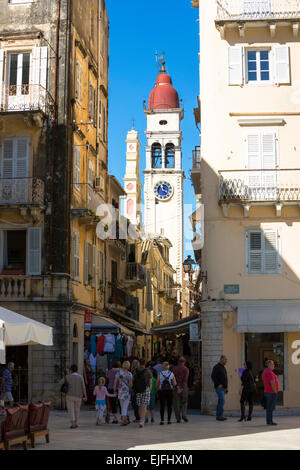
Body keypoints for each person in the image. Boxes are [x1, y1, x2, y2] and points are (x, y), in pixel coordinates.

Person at [59, 364, 87, 429]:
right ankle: (76, 423)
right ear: (77, 370)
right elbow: (83, 387)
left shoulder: (68, 377)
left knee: (71, 410)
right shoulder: (80, 377)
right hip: (79, 396)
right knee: (77, 410)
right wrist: (85, 396)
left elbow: (60, 382)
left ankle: (73, 424)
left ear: (71, 370)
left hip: (69, 395)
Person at [132, 358, 152, 428]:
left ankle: (141, 419)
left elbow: (133, 381)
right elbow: (150, 382)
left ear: (139, 363)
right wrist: (150, 389)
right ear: (145, 363)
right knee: (144, 405)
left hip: (137, 389)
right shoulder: (148, 371)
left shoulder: (135, 371)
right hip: (145, 389)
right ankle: (142, 421)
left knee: (140, 405)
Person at [156, 361, 177, 425]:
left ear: (163, 367)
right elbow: (175, 383)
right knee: (169, 406)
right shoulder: (172, 373)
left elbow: (157, 383)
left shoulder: (160, 373)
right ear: (168, 367)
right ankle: (169, 420)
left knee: (162, 405)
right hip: (170, 391)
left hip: (162, 391)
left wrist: (156, 390)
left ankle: (162, 420)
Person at [114, 360, 133, 426]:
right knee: (125, 407)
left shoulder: (118, 373)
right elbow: (130, 384)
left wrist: (114, 390)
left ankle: (125, 420)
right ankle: (123, 421)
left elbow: (115, 382)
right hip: (127, 392)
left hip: (120, 391)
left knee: (122, 407)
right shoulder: (129, 374)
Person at [262, 359, 279, 426]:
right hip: (271, 392)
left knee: (269, 408)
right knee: (270, 408)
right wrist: (275, 391)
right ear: (268, 365)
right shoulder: (269, 372)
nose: (273, 365)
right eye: (272, 364)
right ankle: (270, 421)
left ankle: (269, 421)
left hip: (268, 391)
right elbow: (272, 383)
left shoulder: (265, 371)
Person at [211, 355, 228, 421]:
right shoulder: (216, 367)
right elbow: (213, 376)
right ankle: (219, 416)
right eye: (225, 360)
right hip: (219, 388)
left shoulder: (223, 367)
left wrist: (226, 388)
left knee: (221, 401)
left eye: (226, 360)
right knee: (222, 401)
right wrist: (218, 384)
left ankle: (219, 415)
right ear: (221, 359)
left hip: (223, 388)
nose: (226, 361)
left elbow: (225, 378)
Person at [173, 357, 190, 423]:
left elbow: (173, 378)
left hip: (176, 386)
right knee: (184, 402)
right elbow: (185, 379)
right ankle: (184, 415)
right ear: (184, 362)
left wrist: (177, 387)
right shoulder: (186, 369)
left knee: (176, 402)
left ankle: (178, 418)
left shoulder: (174, 369)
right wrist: (182, 387)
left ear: (178, 362)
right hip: (184, 387)